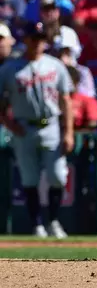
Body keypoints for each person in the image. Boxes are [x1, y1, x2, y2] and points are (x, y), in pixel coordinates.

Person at [0, 21, 74, 238]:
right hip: (24, 127)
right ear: (25, 40)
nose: (37, 43)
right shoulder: (10, 68)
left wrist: (68, 131)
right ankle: (37, 225)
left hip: (51, 124)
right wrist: (8, 123)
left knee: (57, 176)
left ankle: (53, 221)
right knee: (29, 178)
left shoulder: (55, 65)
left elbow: (66, 100)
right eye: (33, 39)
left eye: (41, 39)